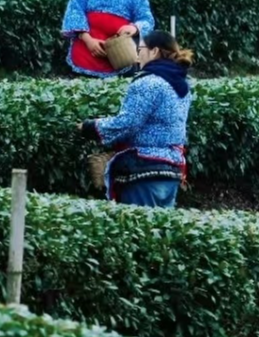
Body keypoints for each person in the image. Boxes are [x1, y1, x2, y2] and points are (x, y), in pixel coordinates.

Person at [78, 31, 194, 208]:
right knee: (162, 231)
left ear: (154, 52)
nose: (137, 55)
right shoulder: (182, 84)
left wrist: (90, 127)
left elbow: (128, 124)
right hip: (172, 170)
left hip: (145, 169)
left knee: (140, 232)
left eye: (140, 50)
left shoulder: (148, 83)